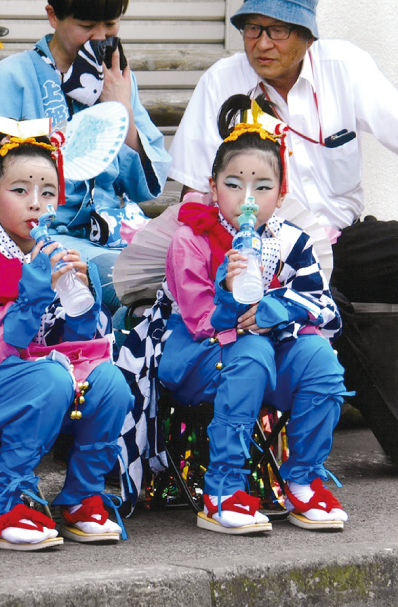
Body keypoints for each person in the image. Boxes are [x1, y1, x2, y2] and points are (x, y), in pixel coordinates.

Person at [168, 0, 398, 460]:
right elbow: (193, 194)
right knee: (331, 302)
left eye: (278, 31)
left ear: (308, 36)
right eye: (252, 29)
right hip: (261, 255)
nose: (262, 43)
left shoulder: (344, 66)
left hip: (340, 239)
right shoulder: (222, 81)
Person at [132, 95, 349, 534]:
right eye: (234, 184)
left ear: (282, 191)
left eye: (263, 187)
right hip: (198, 357)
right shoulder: (190, 240)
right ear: (213, 188)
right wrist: (231, 295)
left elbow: (322, 304)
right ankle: (222, 487)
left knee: (321, 361)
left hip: (267, 351)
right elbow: (199, 320)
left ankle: (303, 480)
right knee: (250, 352)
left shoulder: (291, 239)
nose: (247, 198)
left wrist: (278, 308)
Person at [0, 123, 133, 549]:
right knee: (52, 379)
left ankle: (81, 497)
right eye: (20, 190)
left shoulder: (49, 255)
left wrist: (84, 299)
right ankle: (1, 502)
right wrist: (35, 290)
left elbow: (74, 345)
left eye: (46, 192)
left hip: (36, 375)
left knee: (111, 382)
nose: (35, 204)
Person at [0, 0, 170, 313]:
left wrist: (123, 110)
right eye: (86, 27)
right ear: (52, 16)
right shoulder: (15, 75)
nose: (99, 37)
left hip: (115, 233)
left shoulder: (116, 77)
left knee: (178, 267)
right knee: (125, 280)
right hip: (40, 237)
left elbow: (144, 185)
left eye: (111, 24)